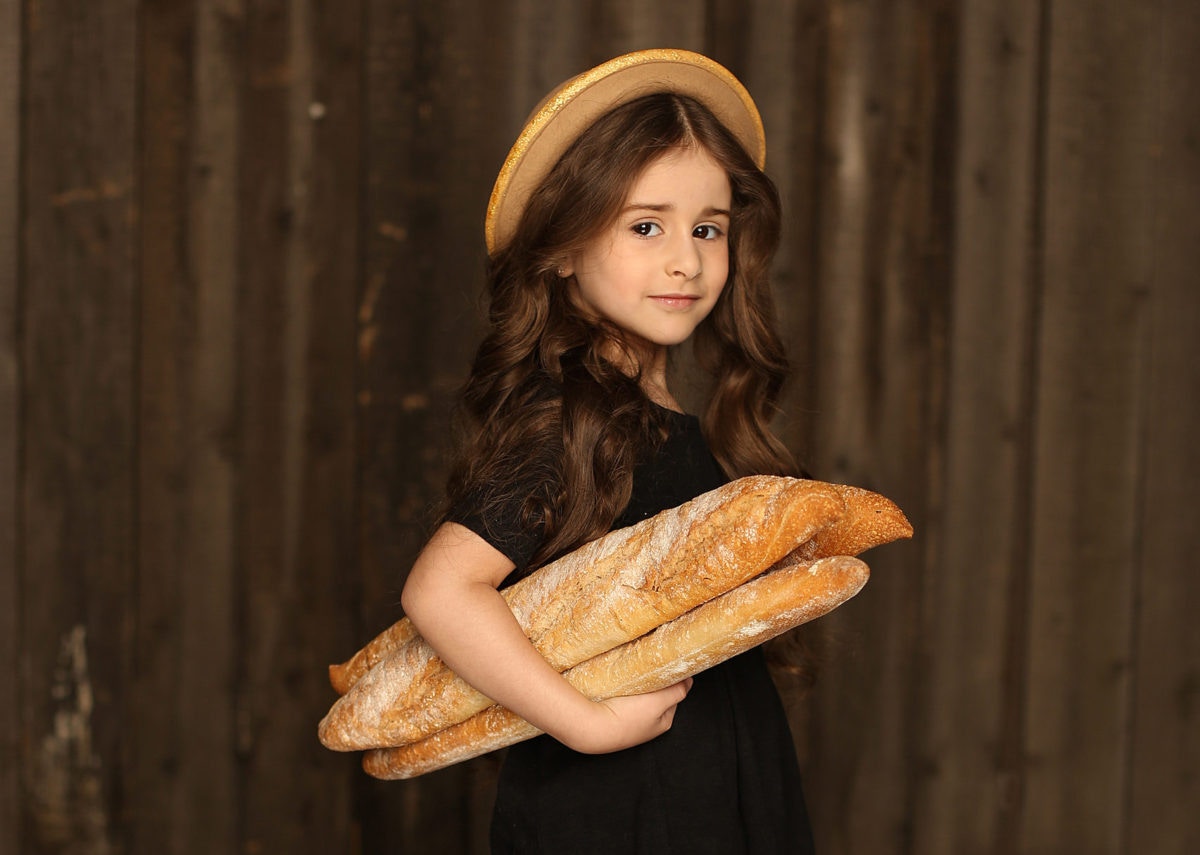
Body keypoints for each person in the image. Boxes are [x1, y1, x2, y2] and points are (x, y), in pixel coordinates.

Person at [401, 49, 816, 853]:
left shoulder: (668, 421)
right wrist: (586, 724)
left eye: (707, 229)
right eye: (645, 225)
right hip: (623, 807)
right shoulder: (571, 422)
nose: (686, 260)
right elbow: (441, 589)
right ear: (562, 249)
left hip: (711, 787)